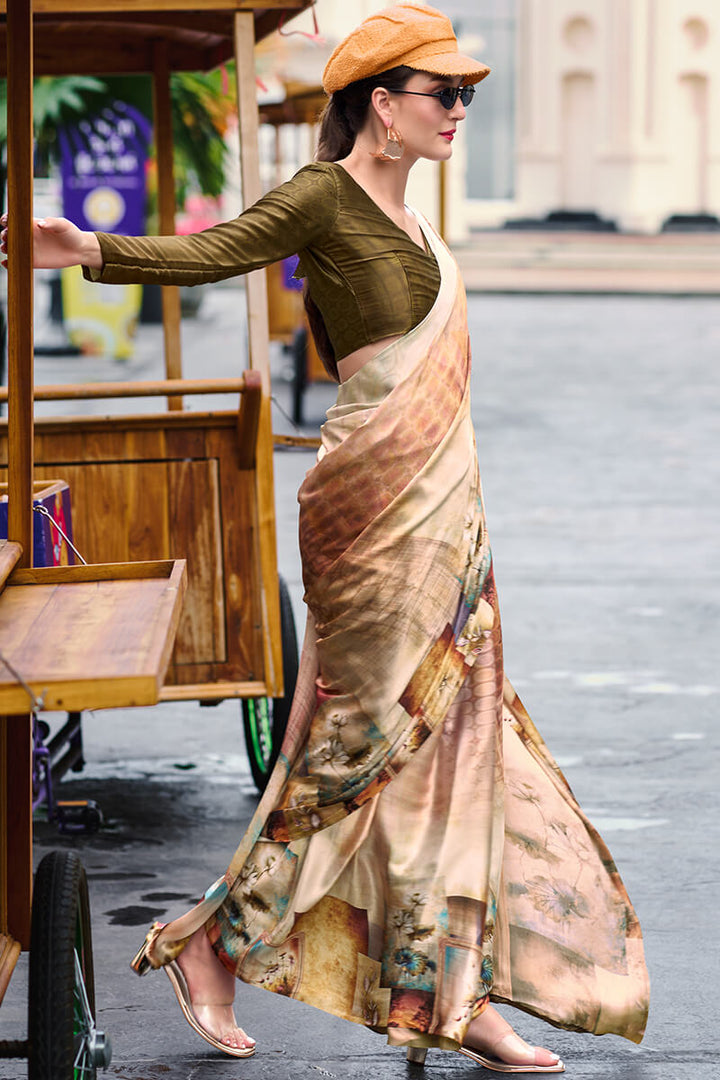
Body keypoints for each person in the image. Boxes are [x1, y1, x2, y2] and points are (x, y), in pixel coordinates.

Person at [2, 2, 650, 1070]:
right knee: (356, 755)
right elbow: (216, 251)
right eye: (443, 94)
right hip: (370, 513)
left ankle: (455, 990)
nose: (459, 111)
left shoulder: (420, 226)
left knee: (458, 746)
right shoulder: (322, 197)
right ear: (380, 106)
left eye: (467, 96)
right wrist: (92, 249)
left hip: (448, 515)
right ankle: (209, 943)